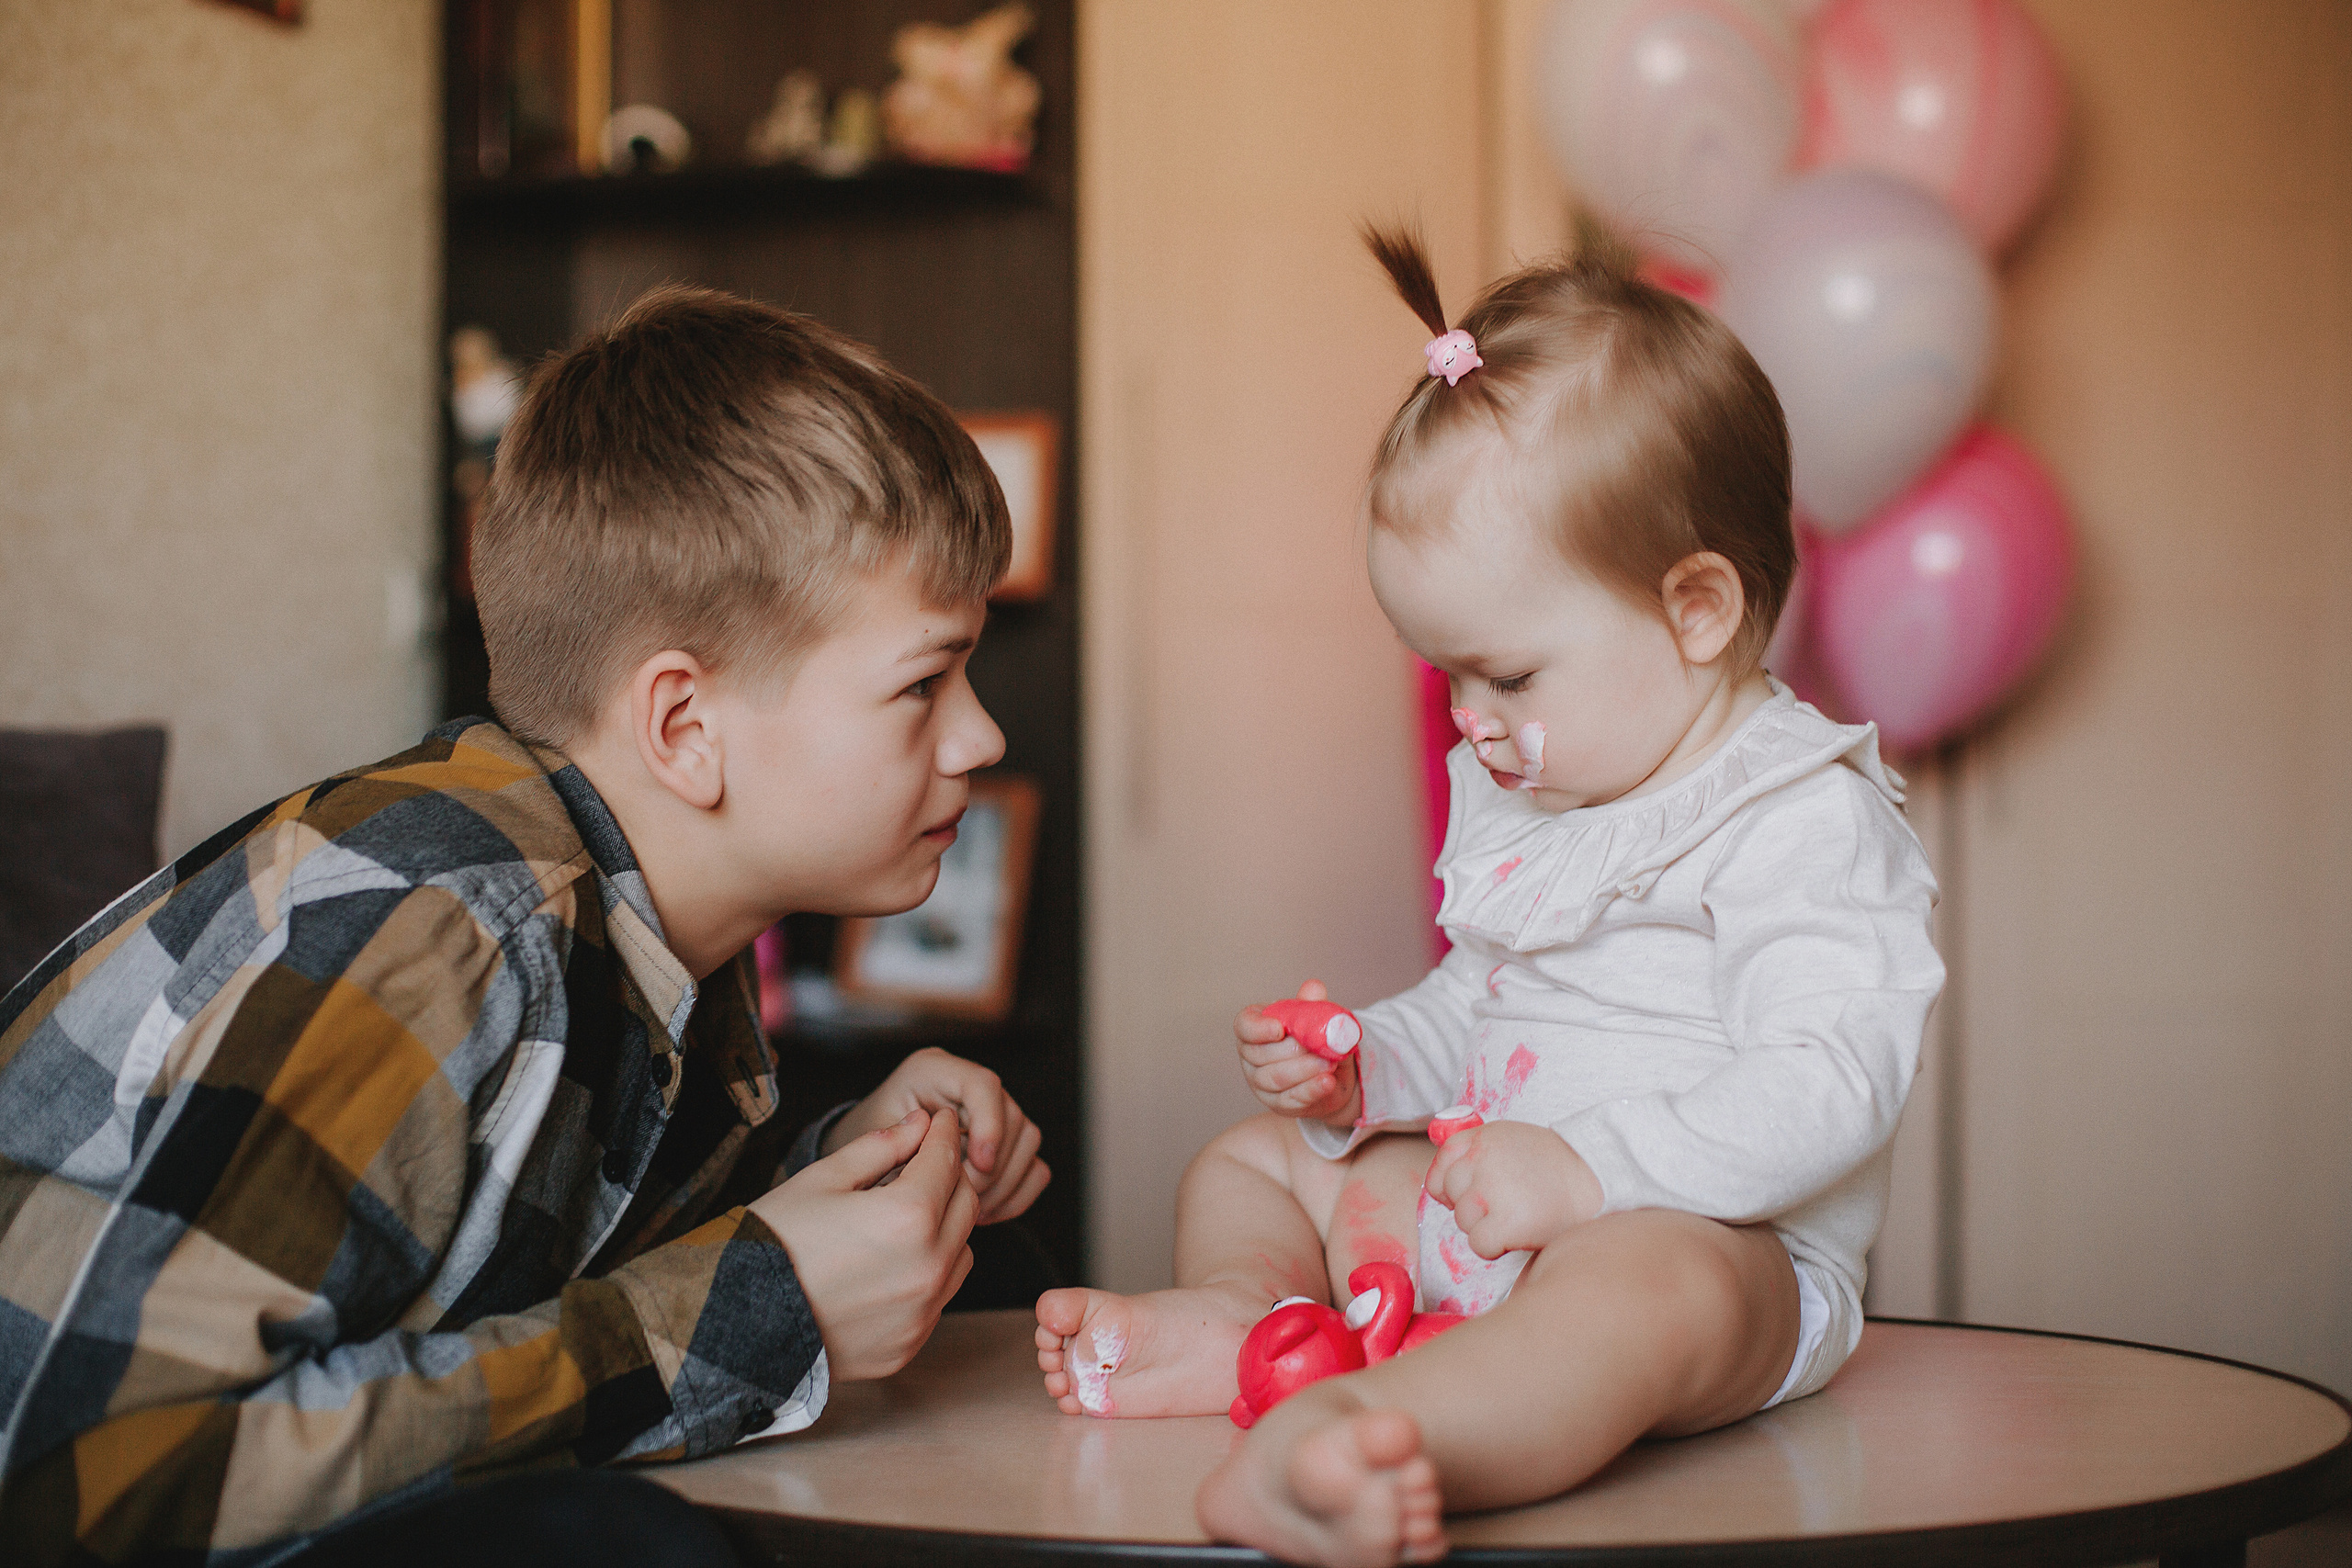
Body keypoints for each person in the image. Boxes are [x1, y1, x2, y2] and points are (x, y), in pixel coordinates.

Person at [0, 286, 1049, 1567]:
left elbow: (498, 1282)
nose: (983, 736)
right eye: (926, 682)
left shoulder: (652, 945)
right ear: (683, 728)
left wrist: (829, 1176)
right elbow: (92, 1487)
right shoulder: (448, 931)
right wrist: (766, 1304)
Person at [1035, 229, 1943, 1566]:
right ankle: (1252, 1323)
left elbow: (1829, 1081)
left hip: (1705, 1251)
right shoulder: (1547, 799)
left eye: (1508, 678)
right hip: (1489, 1201)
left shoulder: (1800, 814)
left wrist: (1592, 1175)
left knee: (1647, 1292)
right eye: (1446, 675)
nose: (1471, 724)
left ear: (1697, 608)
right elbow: (1486, 1002)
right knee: (1256, 1161)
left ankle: (1365, 1436)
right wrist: (1369, 1074)